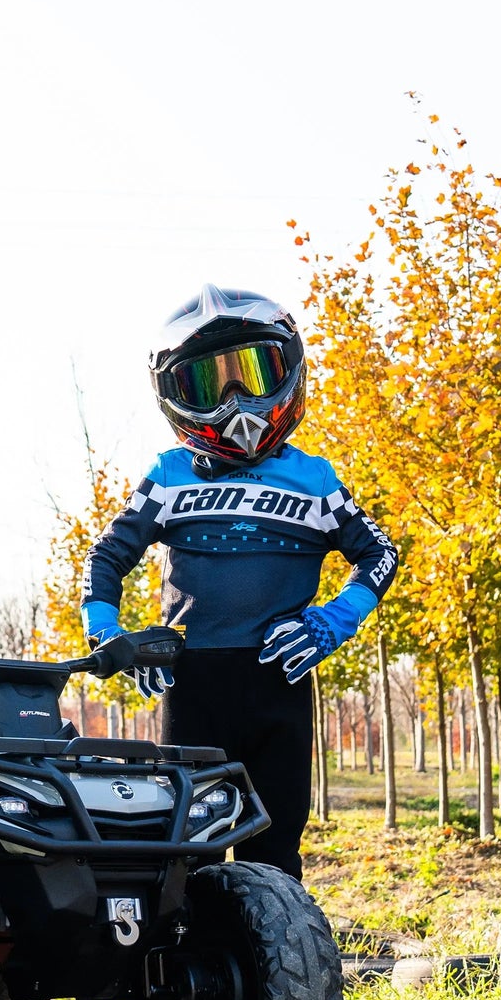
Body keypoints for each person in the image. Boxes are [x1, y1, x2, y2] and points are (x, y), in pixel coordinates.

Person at [82, 284, 398, 879]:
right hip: (191, 679)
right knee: (184, 851)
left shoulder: (317, 480)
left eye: (254, 373)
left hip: (280, 675)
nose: (237, 401)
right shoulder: (169, 476)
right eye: (211, 383)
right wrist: (110, 634)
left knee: (276, 851)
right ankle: (181, 966)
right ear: (176, 396)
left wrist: (335, 620)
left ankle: (277, 963)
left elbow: (379, 554)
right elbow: (106, 556)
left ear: (289, 370)